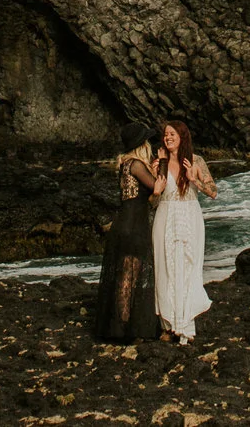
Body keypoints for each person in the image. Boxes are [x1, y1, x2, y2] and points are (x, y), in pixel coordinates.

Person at [91, 125, 162, 343]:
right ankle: (123, 326)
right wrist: (158, 174)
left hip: (125, 222)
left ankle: (120, 323)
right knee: (129, 276)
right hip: (134, 225)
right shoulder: (137, 165)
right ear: (142, 144)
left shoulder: (126, 164)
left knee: (125, 275)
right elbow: (155, 188)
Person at [148, 118, 216, 343]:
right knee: (165, 268)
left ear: (182, 137)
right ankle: (168, 326)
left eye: (172, 134)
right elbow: (151, 200)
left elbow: (213, 192)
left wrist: (194, 180)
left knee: (188, 268)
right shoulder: (158, 163)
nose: (168, 137)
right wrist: (156, 190)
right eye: (166, 135)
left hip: (189, 217)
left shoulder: (195, 161)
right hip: (166, 217)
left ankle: (186, 326)